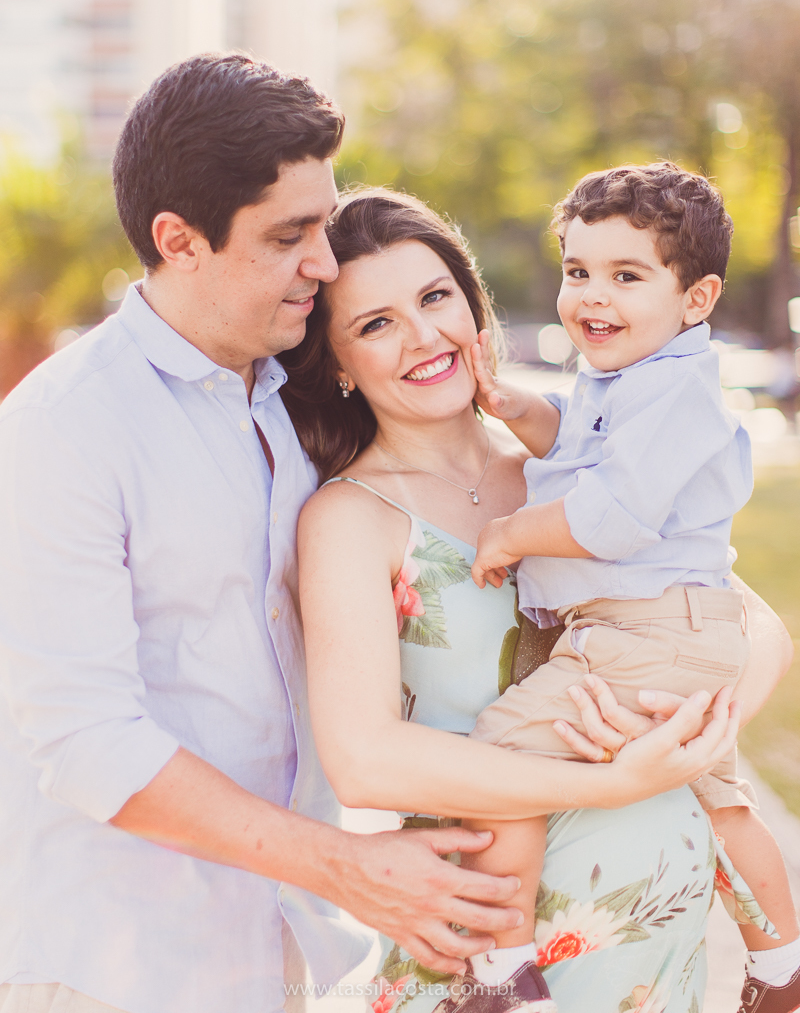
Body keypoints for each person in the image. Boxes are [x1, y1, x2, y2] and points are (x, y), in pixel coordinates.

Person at [0, 54, 532, 1013]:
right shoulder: (64, 429)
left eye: (323, 224)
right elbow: (86, 741)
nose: (324, 264)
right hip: (118, 965)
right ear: (180, 240)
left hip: (283, 952)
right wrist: (346, 866)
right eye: (290, 236)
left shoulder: (295, 406)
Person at [285, 187, 791, 1013]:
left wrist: (687, 729)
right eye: (375, 324)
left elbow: (757, 628)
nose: (422, 336)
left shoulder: (573, 469)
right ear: (338, 361)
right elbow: (364, 761)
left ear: (471, 305)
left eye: (434, 297)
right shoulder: (351, 518)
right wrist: (616, 782)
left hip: (654, 959)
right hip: (487, 958)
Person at [463, 162, 800, 1013]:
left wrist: (508, 533)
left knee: (499, 752)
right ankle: (780, 968)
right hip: (678, 627)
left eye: (625, 275)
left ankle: (503, 975)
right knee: (722, 803)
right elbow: (571, 442)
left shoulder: (673, 390)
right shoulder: (630, 379)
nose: (590, 296)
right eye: (578, 271)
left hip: (646, 631)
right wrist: (510, 405)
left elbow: (608, 518)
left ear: (697, 297)